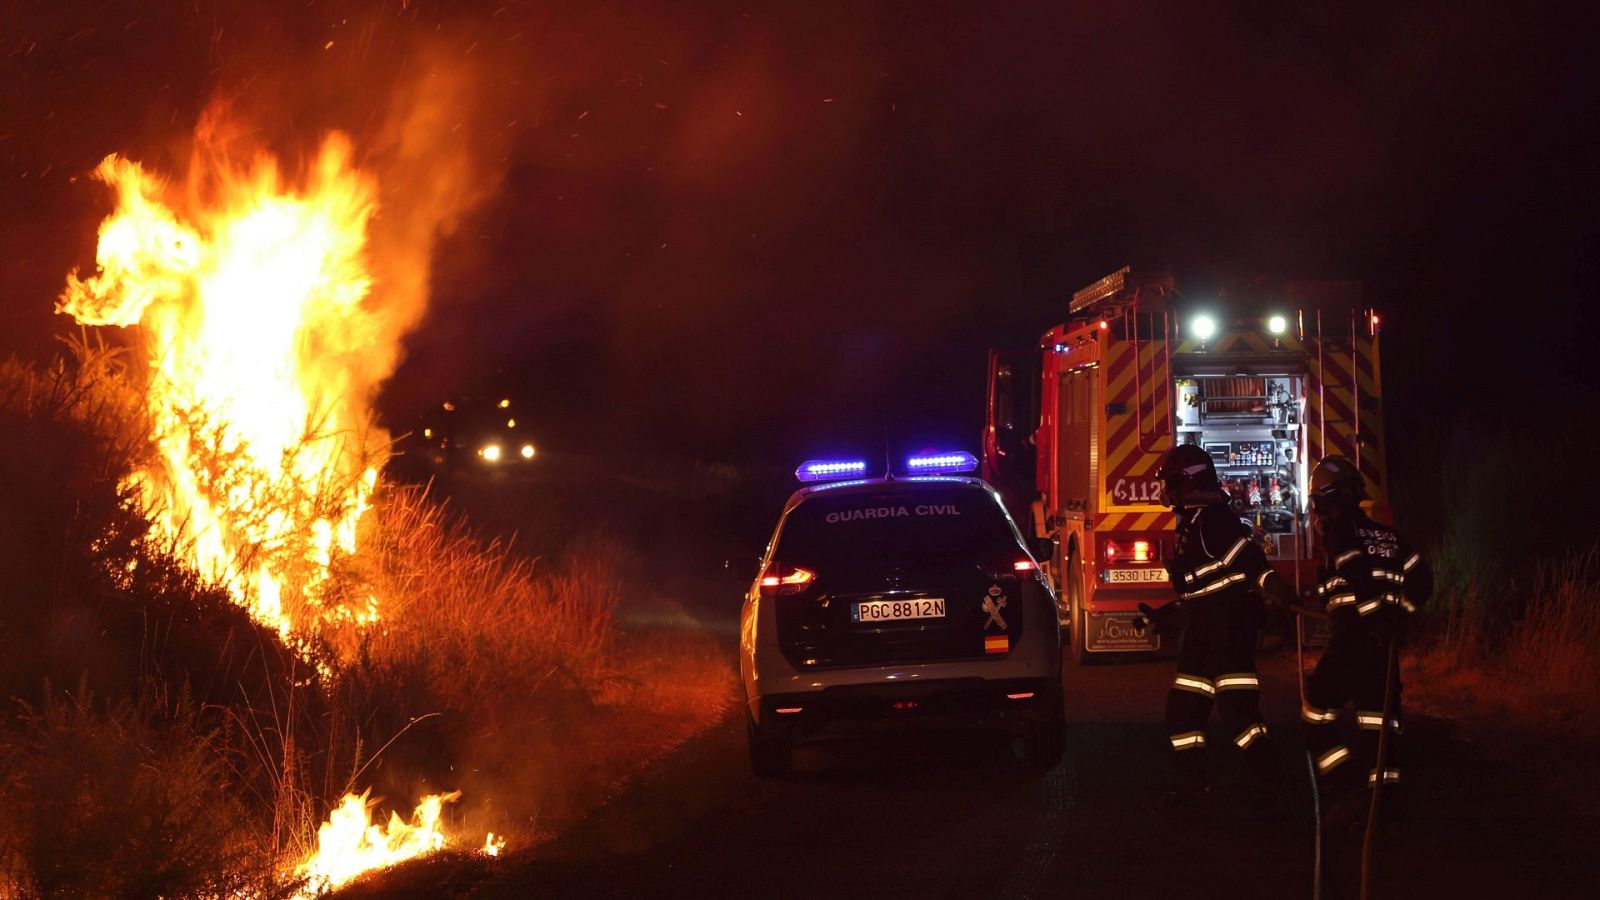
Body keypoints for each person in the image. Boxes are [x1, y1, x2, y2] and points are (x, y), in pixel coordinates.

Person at [1155, 443, 1297, 806]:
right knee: (1182, 713)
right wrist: (1173, 610)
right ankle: (1193, 786)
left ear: (1189, 481)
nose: (1166, 491)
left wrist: (1275, 585)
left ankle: (1276, 788)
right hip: (1205, 629)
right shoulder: (1193, 519)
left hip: (1229, 629)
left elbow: (1245, 558)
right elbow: (1207, 579)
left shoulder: (1214, 518)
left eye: (1170, 482)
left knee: (1240, 716)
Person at [1301, 455, 1431, 824]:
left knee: (1315, 715)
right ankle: (1383, 803)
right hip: (1383, 645)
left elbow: (1355, 572)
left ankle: (1345, 788)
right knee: (1379, 723)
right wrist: (1398, 616)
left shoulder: (1341, 532)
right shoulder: (1389, 536)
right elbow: (1423, 579)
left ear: (1328, 500)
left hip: (1353, 639)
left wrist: (1372, 618)